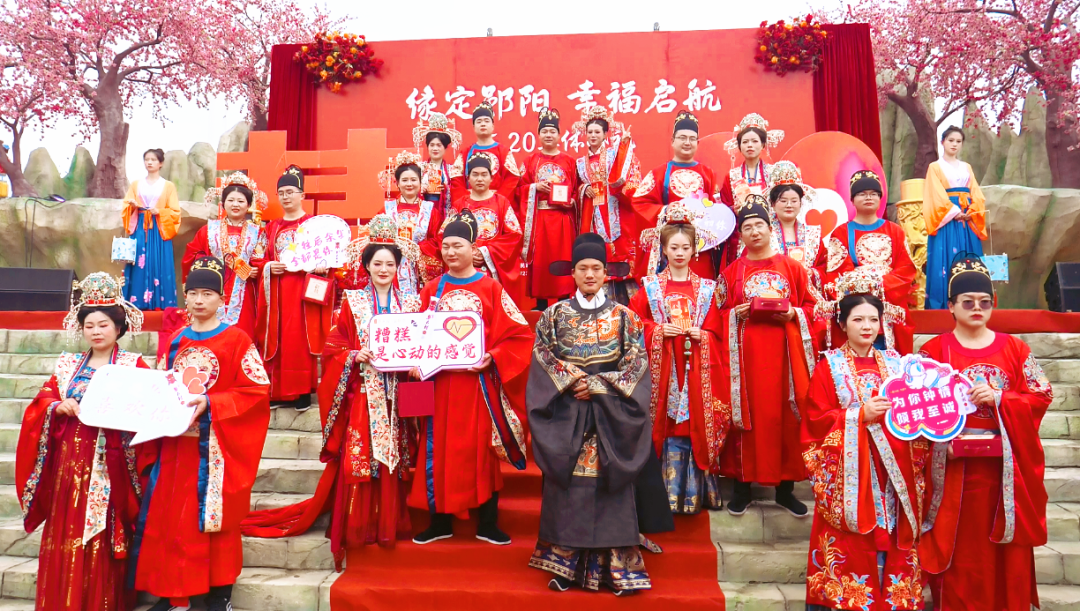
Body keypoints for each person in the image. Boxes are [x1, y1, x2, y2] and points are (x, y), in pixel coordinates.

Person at [241, 216, 422, 566]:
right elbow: (332, 347)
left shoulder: (412, 304)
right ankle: (360, 524)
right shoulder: (353, 302)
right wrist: (354, 355)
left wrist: (416, 363)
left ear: (398, 267)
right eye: (377, 263)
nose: (384, 270)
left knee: (394, 459)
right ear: (366, 266)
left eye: (390, 264)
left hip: (399, 392)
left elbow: (420, 343)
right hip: (364, 392)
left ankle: (389, 522)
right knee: (360, 458)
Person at [133, 256, 271, 611]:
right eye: (193, 293)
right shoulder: (177, 339)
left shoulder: (237, 339)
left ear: (221, 299)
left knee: (214, 521)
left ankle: (218, 595)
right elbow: (164, 385)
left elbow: (257, 391)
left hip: (215, 448)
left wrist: (211, 402)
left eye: (207, 294)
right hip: (175, 446)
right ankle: (173, 592)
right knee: (171, 521)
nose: (198, 300)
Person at [918, 257, 1053, 611]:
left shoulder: (1015, 348)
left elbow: (1041, 395)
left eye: (985, 302)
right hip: (954, 469)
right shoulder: (933, 352)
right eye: (968, 302)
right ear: (950, 306)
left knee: (1004, 547)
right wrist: (939, 443)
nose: (977, 308)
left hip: (1004, 470)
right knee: (961, 548)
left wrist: (1001, 399)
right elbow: (919, 412)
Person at [527, 232, 654, 595]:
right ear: (573, 272)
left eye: (596, 268)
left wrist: (599, 386)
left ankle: (618, 569)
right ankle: (564, 566)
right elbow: (543, 358)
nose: (589, 274)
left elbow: (637, 364)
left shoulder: (625, 317)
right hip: (568, 413)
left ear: (605, 272)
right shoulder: (553, 316)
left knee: (611, 487)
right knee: (571, 489)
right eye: (582, 268)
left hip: (611, 416)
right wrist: (573, 381)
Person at [16, 273, 147, 611]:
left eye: (103, 325)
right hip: (68, 467)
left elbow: (148, 410)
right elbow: (43, 400)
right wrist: (57, 407)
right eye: (89, 325)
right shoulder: (67, 366)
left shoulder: (133, 366)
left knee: (101, 535)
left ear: (119, 327)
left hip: (110, 465)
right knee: (66, 532)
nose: (96, 331)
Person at [409, 210, 533, 545]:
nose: (450, 252)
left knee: (480, 450)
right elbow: (414, 335)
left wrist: (493, 356)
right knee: (436, 450)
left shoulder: (491, 288)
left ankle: (487, 521)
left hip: (477, 385)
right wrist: (412, 361)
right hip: (437, 384)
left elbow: (520, 335)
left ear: (473, 248)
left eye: (458, 245)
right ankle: (439, 521)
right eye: (446, 246)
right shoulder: (431, 290)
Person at [801, 292, 930, 611]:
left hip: (894, 468)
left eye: (873, 319)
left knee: (892, 531)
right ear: (843, 324)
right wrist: (859, 415)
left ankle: (893, 599)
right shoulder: (828, 367)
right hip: (850, 471)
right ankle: (850, 598)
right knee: (855, 538)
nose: (867, 326)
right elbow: (816, 420)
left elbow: (915, 413)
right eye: (858, 319)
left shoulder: (898, 365)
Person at [704, 195, 817, 517]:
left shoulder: (793, 268)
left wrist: (794, 314)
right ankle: (742, 487)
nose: (754, 232)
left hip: (785, 358)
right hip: (745, 360)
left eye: (759, 225)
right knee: (746, 416)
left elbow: (815, 308)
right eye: (747, 227)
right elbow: (715, 316)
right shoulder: (731, 273)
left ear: (771, 229)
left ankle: (785, 489)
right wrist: (735, 315)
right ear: (740, 235)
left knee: (785, 417)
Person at [629, 203, 729, 514]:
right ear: (663, 249)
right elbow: (633, 324)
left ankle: (694, 495)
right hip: (663, 369)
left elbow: (718, 331)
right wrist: (657, 330)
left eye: (686, 247)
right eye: (674, 247)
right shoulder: (649, 287)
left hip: (696, 367)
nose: (680, 253)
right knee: (666, 425)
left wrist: (704, 335)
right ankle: (661, 497)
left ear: (694, 250)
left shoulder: (708, 289)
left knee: (693, 423)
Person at [255, 165, 335, 410]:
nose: (285, 197)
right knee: (277, 337)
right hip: (277, 289)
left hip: (303, 289)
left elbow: (330, 257)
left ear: (302, 195)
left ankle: (301, 391)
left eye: (290, 192)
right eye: (281, 193)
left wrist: (322, 266)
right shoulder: (271, 228)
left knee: (300, 338)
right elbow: (257, 258)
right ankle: (277, 392)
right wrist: (269, 266)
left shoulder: (315, 225)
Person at [814, 170, 916, 355]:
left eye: (873, 193)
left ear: (880, 198)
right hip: (856, 305)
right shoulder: (841, 233)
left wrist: (878, 284)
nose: (869, 197)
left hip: (889, 303)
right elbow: (836, 274)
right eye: (862, 193)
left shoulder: (895, 231)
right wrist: (863, 289)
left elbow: (906, 270)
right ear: (852, 200)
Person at [632, 110, 720, 280]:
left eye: (692, 139)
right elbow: (639, 203)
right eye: (682, 138)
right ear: (672, 141)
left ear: (697, 143)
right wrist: (665, 210)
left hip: (699, 249)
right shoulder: (659, 173)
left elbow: (716, 209)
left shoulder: (708, 174)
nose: (687, 142)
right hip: (670, 249)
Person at [182, 172, 268, 338]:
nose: (235, 204)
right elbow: (192, 256)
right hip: (213, 288)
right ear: (223, 203)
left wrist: (256, 269)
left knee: (243, 334)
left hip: (245, 292)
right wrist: (211, 264)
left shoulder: (257, 232)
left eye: (241, 201)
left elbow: (261, 259)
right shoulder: (208, 230)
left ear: (248, 204)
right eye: (231, 200)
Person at [572, 106, 642, 305]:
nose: (593, 135)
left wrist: (624, 147)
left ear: (605, 135)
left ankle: (630, 305)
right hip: (593, 213)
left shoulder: (613, 155)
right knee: (599, 250)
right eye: (590, 132)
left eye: (597, 132)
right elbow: (575, 187)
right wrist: (584, 188)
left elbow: (624, 174)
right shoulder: (579, 163)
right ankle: (599, 302)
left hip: (615, 209)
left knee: (622, 250)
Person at [441, 152, 525, 303]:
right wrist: (464, 253)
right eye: (475, 174)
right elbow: (444, 235)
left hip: (491, 267)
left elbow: (514, 235)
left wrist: (485, 252)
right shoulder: (460, 205)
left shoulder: (502, 203)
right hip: (464, 266)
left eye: (484, 174)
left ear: (491, 178)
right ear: (468, 178)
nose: (479, 179)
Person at [518, 107, 579, 307]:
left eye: (553, 131)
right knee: (541, 260)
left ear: (559, 135)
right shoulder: (530, 161)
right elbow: (518, 189)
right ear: (538, 135)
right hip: (540, 218)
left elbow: (577, 189)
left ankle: (564, 300)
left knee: (563, 258)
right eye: (544, 131)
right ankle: (541, 302)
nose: (548, 135)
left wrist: (572, 201)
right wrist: (534, 187)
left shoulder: (569, 161)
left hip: (562, 218)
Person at [923, 127, 988, 310]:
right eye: (951, 140)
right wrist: (953, 212)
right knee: (946, 259)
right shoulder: (935, 167)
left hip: (967, 217)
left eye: (958, 141)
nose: (954, 144)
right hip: (947, 219)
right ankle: (943, 304)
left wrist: (972, 210)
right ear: (942, 142)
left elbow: (976, 192)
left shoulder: (967, 167)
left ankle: (974, 302)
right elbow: (934, 194)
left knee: (970, 258)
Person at [719, 113, 785, 270]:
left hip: (770, 232)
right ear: (739, 146)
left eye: (755, 141)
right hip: (741, 234)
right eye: (745, 142)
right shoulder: (731, 176)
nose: (750, 145)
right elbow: (724, 208)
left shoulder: (774, 173)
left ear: (763, 145)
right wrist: (732, 210)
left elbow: (783, 203)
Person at [378, 151, 444, 293]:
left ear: (420, 182)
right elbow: (376, 240)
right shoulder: (387, 210)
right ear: (397, 183)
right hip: (392, 266)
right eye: (405, 180)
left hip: (419, 269)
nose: (409, 184)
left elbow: (438, 240)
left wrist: (416, 249)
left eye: (414, 180)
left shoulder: (430, 210)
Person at [122, 148, 180, 310]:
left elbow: (175, 211)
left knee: (158, 261)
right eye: (147, 159)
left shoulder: (168, 186)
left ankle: (160, 303)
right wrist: (133, 206)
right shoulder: (136, 184)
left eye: (153, 160)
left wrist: (160, 211)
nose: (149, 162)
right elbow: (126, 205)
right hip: (140, 226)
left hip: (159, 227)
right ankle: (135, 301)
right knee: (138, 261)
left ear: (161, 163)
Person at [752, 161, 824, 290]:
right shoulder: (761, 232)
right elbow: (750, 264)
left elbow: (825, 268)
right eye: (783, 200)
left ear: (800, 203)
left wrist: (812, 273)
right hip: (771, 292)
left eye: (794, 201)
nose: (789, 205)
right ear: (772, 204)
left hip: (805, 292)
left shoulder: (813, 235)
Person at [451, 101, 521, 206]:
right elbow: (456, 180)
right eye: (479, 121)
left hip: (496, 205)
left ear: (492, 126)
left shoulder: (503, 152)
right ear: (473, 127)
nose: (483, 124)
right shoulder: (465, 153)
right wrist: (467, 202)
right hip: (470, 205)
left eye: (486, 121)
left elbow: (512, 179)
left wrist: (496, 202)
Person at [414, 111, 464, 218]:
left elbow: (459, 195)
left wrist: (446, 189)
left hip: (444, 215)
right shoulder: (419, 168)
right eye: (432, 145)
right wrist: (421, 189)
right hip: (424, 214)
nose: (435, 148)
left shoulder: (452, 170)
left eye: (439, 145)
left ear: (445, 147)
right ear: (427, 147)